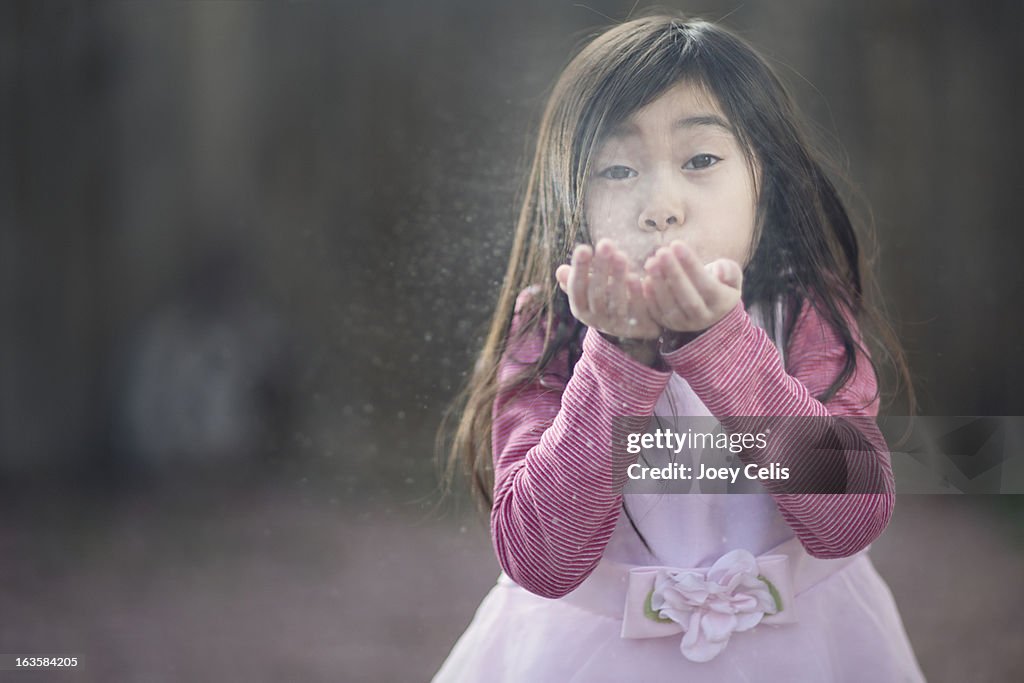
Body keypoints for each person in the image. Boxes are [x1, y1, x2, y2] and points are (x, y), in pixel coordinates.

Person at [433, 12, 924, 682]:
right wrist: (620, 356)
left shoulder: (805, 310)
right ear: (572, 199)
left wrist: (721, 347)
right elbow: (539, 558)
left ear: (764, 183)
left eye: (700, 160)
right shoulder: (552, 332)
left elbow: (853, 515)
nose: (661, 203)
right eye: (617, 168)